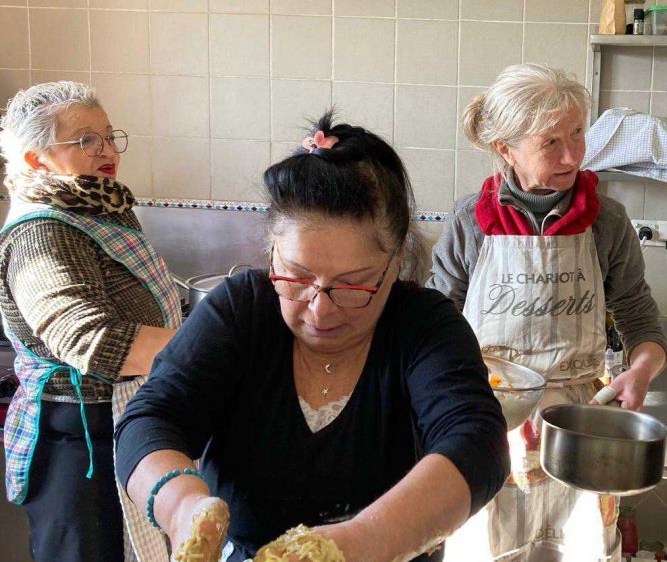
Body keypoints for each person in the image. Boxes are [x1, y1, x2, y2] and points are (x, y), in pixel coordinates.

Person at [114, 112, 510, 561]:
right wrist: (183, 507)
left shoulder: (422, 325)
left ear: (396, 261)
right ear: (271, 252)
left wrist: (352, 546)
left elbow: (478, 444)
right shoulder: (241, 310)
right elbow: (152, 418)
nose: (320, 308)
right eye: (297, 277)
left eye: (354, 284)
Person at [429, 63, 667, 561]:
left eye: (578, 133)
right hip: (487, 421)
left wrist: (642, 370)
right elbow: (434, 328)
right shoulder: (470, 222)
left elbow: (639, 316)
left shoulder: (607, 222)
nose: (572, 154)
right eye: (550, 142)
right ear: (505, 149)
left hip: (582, 426)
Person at [0, 81, 180, 561]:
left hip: (113, 424)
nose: (106, 150)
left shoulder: (96, 205)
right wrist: (211, 346)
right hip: (76, 441)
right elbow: (90, 338)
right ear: (36, 160)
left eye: (108, 135)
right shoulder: (42, 231)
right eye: (85, 140)